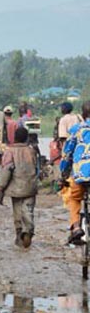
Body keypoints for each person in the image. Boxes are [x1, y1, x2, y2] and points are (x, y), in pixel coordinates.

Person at [0, 127, 38, 248]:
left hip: (16, 187)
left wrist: (1, 189)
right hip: (30, 186)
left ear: (14, 137)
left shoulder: (9, 151)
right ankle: (28, 230)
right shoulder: (31, 151)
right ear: (26, 138)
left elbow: (6, 171)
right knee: (29, 210)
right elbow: (36, 167)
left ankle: (19, 232)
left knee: (17, 211)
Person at [60, 101, 90, 245]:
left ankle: (76, 227)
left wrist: (63, 173)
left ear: (83, 115)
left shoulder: (76, 129)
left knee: (74, 198)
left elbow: (66, 155)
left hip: (81, 175)